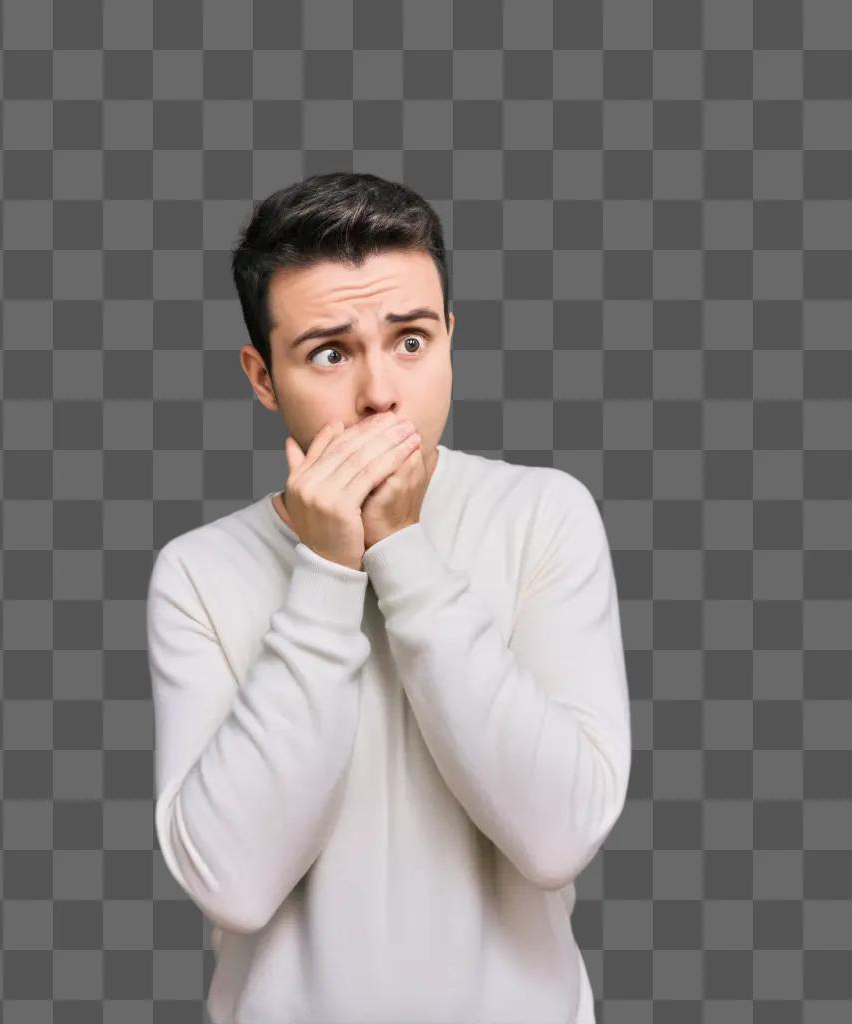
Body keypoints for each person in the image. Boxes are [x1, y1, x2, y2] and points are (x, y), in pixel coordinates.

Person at [146, 171, 632, 1024]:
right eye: (329, 353)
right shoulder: (199, 572)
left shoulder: (545, 517)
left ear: (450, 335)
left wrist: (403, 552)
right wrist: (329, 572)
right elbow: (235, 885)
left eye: (411, 340)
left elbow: (560, 837)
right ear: (262, 377)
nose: (380, 392)